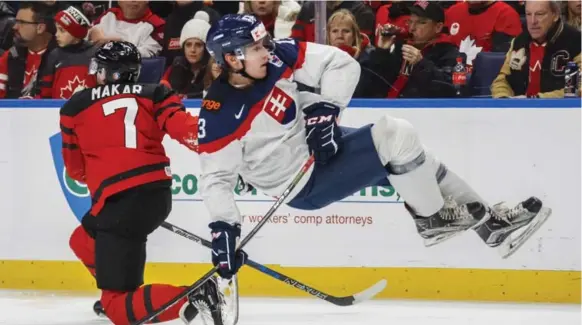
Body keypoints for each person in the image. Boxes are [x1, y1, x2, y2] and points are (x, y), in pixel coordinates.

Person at [199, 14, 552, 280]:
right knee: (396, 135)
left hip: (313, 148)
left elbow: (341, 64)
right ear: (231, 59)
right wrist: (224, 230)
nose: (266, 51)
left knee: (416, 159)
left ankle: (489, 226)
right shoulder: (219, 113)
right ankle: (431, 220)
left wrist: (326, 109)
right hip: (301, 181)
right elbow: (216, 179)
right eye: (255, 48)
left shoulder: (277, 56)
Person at [62, 40, 225, 325]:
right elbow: (187, 131)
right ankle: (126, 295)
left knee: (118, 311)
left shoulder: (75, 106)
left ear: (107, 73)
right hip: (155, 194)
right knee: (82, 240)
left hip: (117, 201)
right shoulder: (156, 93)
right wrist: (228, 143)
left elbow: (76, 171)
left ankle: (192, 296)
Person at [491, 0, 581, 98]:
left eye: (539, 14)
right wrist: (503, 99)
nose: (533, 21)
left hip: (561, 111)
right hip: (519, 110)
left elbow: (579, 89)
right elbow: (502, 80)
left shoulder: (576, 41)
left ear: (555, 15)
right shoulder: (519, 41)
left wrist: (536, 100)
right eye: (528, 14)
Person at [35, 6, 97, 99]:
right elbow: (45, 91)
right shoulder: (54, 55)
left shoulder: (95, 54)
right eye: (57, 29)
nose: (56, 34)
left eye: (62, 30)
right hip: (55, 111)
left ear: (76, 33)